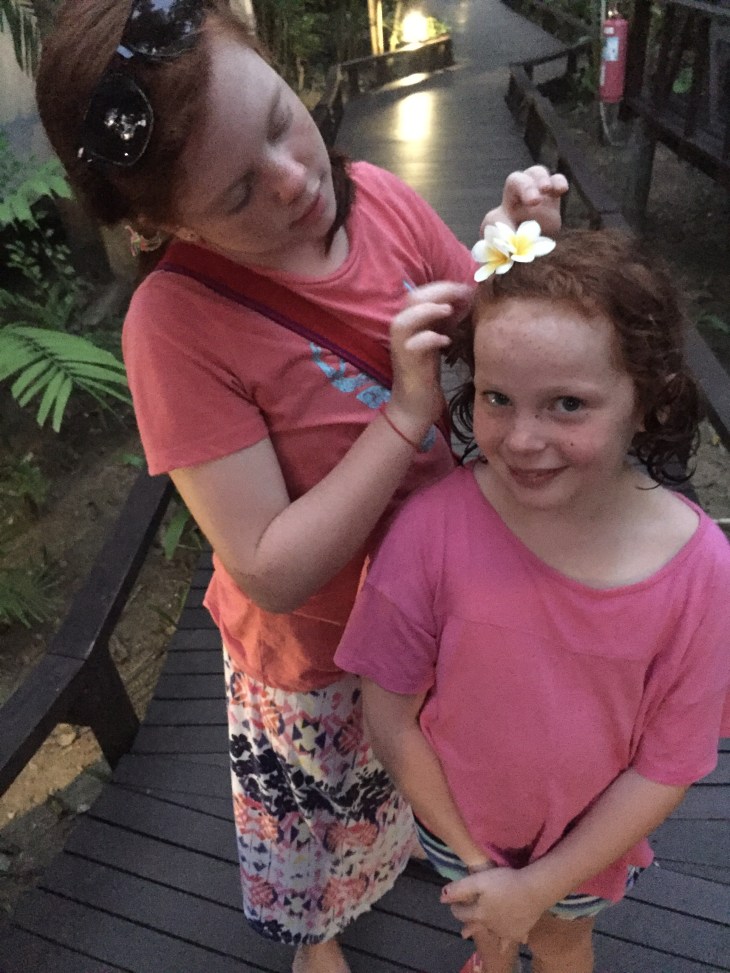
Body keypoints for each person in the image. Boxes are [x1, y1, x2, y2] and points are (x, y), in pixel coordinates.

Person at [34, 2, 568, 971]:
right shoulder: (176, 328)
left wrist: (513, 251)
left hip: (428, 610)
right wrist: (404, 412)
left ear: (280, 71)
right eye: (239, 191)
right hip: (311, 656)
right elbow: (269, 567)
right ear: (162, 220)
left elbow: (481, 333)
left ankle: (397, 845)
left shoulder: (378, 197)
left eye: (282, 122)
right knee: (310, 822)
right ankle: (313, 938)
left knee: (407, 761)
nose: (293, 182)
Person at [335, 228, 730, 973]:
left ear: (649, 402)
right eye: (497, 398)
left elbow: (667, 765)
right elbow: (389, 711)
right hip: (456, 830)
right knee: (487, 921)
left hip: (584, 856)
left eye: (567, 404)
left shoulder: (701, 572)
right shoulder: (432, 528)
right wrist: (482, 868)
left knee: (560, 940)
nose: (520, 439)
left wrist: (537, 887)